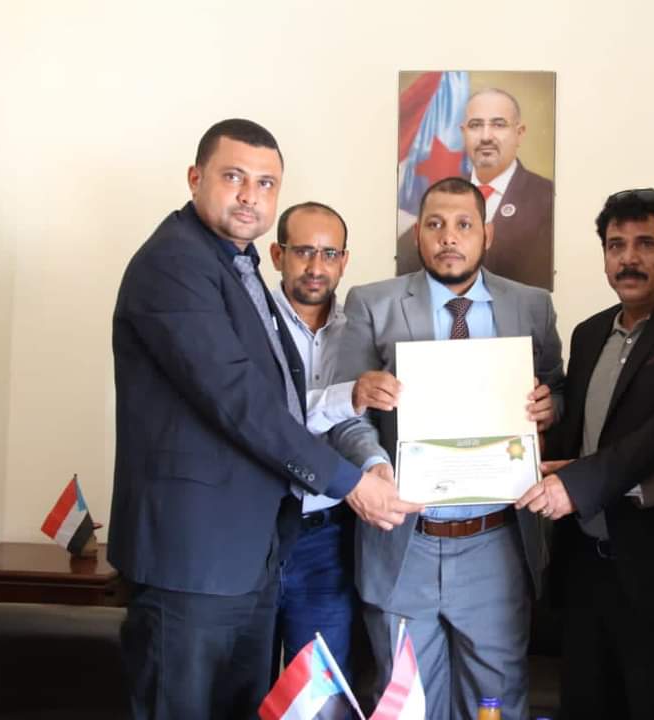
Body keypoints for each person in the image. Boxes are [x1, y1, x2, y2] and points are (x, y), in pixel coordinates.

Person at [109, 119, 418, 719]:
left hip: (246, 556)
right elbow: (238, 400)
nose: (250, 195)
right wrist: (350, 483)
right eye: (234, 177)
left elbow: (278, 401)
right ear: (195, 178)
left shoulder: (235, 264)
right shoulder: (173, 263)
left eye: (266, 183)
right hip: (191, 559)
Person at [335, 176, 563, 720]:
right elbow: (347, 413)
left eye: (463, 224)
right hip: (404, 542)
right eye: (435, 224)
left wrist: (552, 405)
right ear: (418, 233)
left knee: (495, 704)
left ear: (486, 233)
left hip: (495, 544)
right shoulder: (372, 303)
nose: (448, 237)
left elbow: (558, 388)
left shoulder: (532, 305)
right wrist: (374, 465)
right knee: (406, 704)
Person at [516, 188, 654, 718]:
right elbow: (578, 436)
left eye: (645, 244)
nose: (628, 259)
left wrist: (580, 482)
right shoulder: (590, 332)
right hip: (584, 566)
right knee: (586, 705)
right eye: (616, 246)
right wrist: (532, 428)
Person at [266, 201, 388, 686]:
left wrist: (377, 465)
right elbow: (263, 419)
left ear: (344, 260)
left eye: (329, 253)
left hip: (327, 536)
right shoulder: (249, 321)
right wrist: (348, 396)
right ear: (277, 255)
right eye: (303, 252)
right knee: (242, 690)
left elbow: (369, 424)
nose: (316, 266)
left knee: (321, 694)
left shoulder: (362, 328)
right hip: (254, 531)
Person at [397, 88, 555, 290]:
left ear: (519, 133)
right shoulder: (439, 195)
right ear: (463, 133)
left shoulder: (547, 198)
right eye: (475, 125)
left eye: (498, 124)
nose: (486, 137)